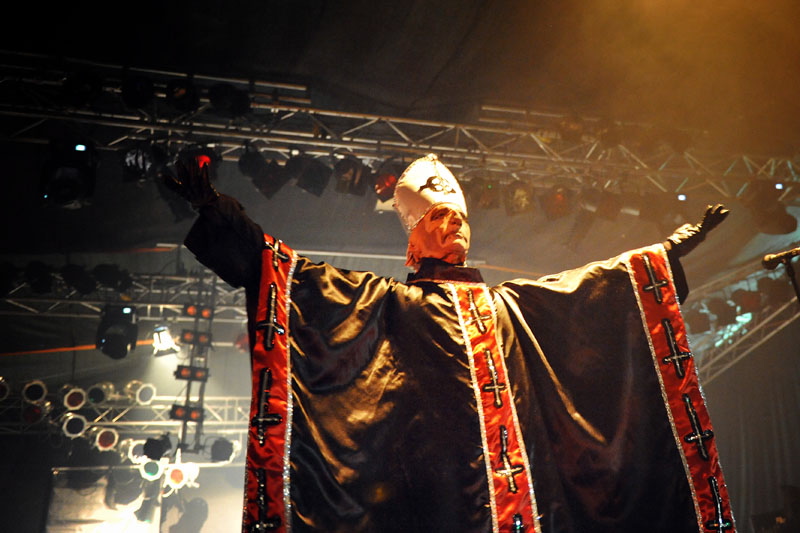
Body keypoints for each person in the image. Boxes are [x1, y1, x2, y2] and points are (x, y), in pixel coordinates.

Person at [166, 153, 735, 533]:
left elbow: (590, 292)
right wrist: (214, 210)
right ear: (412, 245)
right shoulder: (385, 304)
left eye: (458, 218)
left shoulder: (513, 305)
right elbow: (289, 273)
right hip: (424, 494)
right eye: (438, 217)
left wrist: (666, 254)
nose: (453, 225)